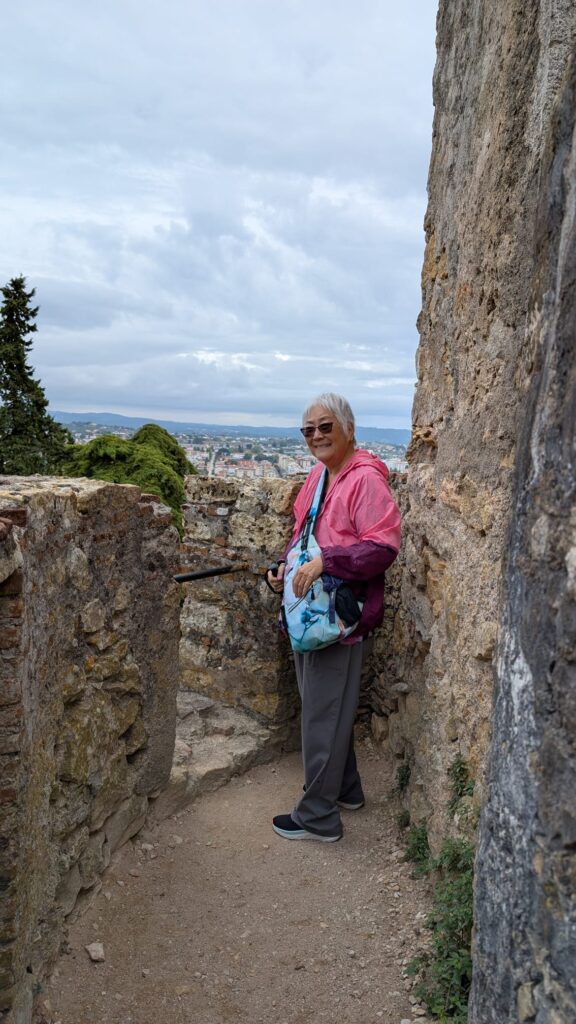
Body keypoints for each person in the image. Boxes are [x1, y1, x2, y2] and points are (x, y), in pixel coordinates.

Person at [266, 393, 401, 843]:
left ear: (348, 428)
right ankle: (346, 789)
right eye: (309, 430)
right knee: (325, 708)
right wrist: (284, 567)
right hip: (310, 612)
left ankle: (318, 817)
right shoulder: (321, 476)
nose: (317, 436)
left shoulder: (364, 480)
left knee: (322, 714)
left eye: (326, 427)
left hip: (338, 614)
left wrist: (327, 563)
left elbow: (382, 548)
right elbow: (304, 535)